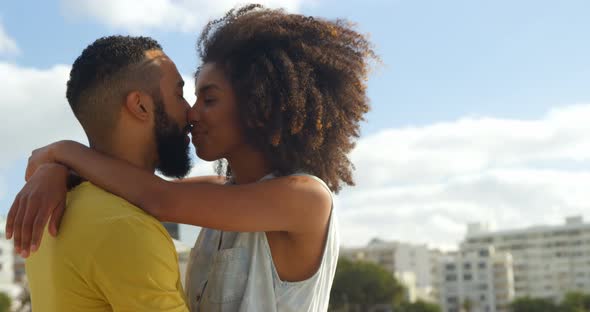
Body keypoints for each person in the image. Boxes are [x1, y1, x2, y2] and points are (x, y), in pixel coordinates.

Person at [7, 4, 377, 311]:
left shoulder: (305, 198)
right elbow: (132, 187)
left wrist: (63, 151)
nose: (193, 113)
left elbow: (157, 198)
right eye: (192, 96)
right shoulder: (217, 192)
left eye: (209, 99)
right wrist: (55, 172)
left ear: (259, 106)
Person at [14, 35, 192, 311]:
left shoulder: (55, 207)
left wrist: (61, 160)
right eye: (179, 95)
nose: (190, 111)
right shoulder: (126, 226)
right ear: (140, 106)